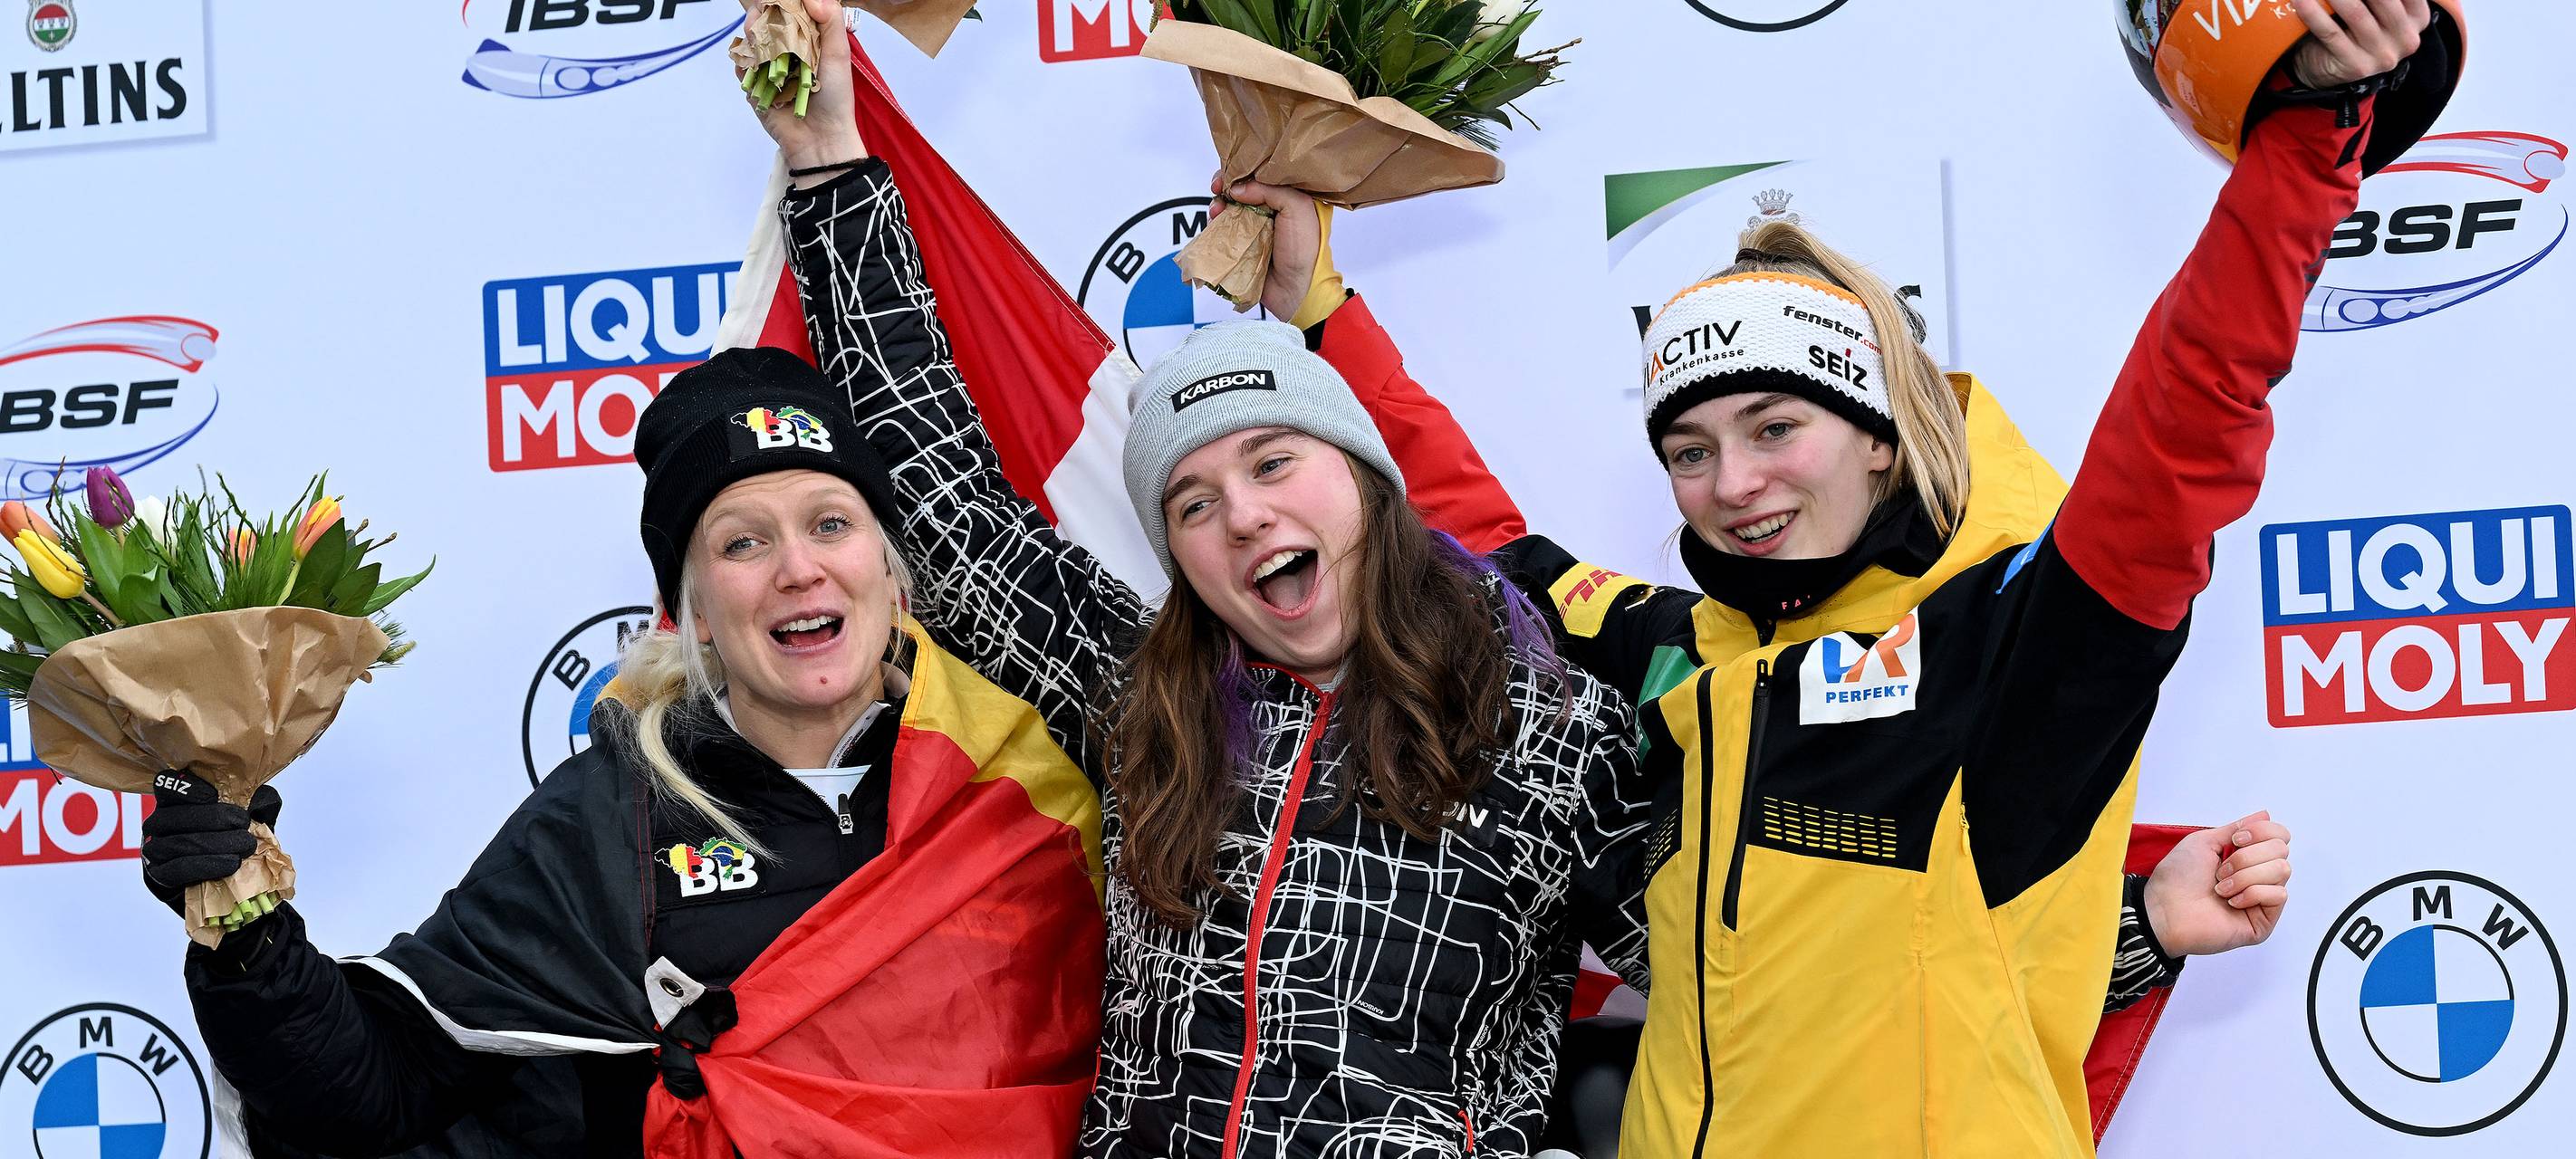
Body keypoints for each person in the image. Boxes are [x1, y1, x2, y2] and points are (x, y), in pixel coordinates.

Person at [1212, 0, 2440, 1151]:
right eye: (1690, 451)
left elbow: (2193, 406)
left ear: (1880, 435)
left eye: (1773, 428)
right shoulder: (1677, 651)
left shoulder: (2012, 648)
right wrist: (1316, 304)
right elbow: (1480, 545)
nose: (1733, 483)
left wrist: (2309, 138)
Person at [747, 6, 1651, 1154]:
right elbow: (941, 489)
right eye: (1193, 504)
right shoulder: (1145, 702)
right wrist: (828, 161)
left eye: (1275, 461)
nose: (1246, 514)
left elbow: (1745, 971)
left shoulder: (1552, 723)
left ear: (1367, 481)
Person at [139, 349, 1104, 1156]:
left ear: (889, 574)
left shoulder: (1027, 793)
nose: (799, 566)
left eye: (831, 523)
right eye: (742, 541)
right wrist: (246, 927)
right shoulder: (616, 810)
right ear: (694, 614)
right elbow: (374, 1088)